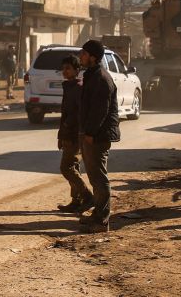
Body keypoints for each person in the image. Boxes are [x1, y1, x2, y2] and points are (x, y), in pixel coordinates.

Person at [77, 39, 119, 231]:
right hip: (90, 133)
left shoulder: (101, 78)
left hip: (97, 136)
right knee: (94, 177)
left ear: (93, 57)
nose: (81, 57)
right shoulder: (91, 75)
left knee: (100, 178)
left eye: (84, 54)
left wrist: (91, 133)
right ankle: (97, 213)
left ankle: (102, 220)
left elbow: (100, 110)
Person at [56, 55, 94, 213]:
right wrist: (60, 135)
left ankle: (87, 195)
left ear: (77, 70)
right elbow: (65, 113)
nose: (64, 71)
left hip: (75, 134)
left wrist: (69, 128)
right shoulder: (70, 86)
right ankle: (76, 200)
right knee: (74, 166)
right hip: (68, 133)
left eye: (68, 68)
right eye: (63, 68)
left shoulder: (78, 87)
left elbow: (78, 114)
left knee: (66, 167)